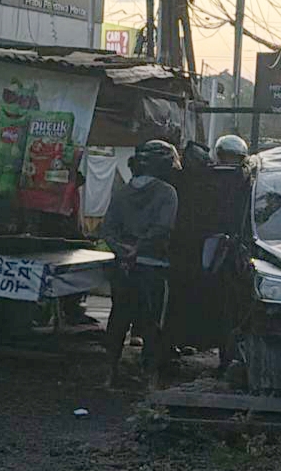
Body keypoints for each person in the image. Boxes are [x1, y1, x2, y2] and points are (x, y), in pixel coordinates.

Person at [102, 140, 181, 389]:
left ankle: (109, 373)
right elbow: (163, 228)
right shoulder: (167, 193)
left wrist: (123, 252)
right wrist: (139, 248)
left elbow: (108, 230)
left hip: (123, 268)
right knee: (152, 323)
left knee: (118, 318)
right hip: (153, 267)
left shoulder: (122, 192)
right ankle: (149, 378)